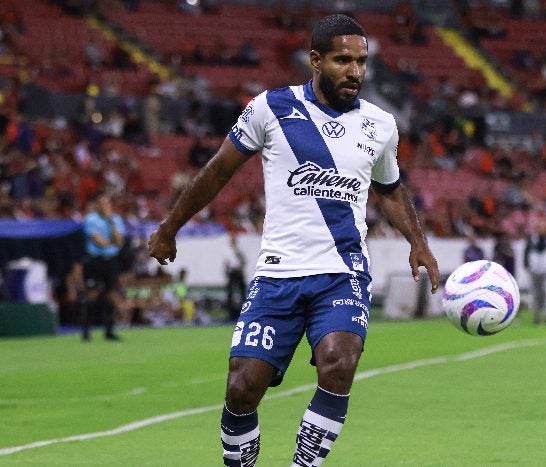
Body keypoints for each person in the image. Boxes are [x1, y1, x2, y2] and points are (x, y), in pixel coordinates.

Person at [148, 14, 440, 467]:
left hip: (342, 272)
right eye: (343, 60)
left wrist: (417, 241)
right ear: (316, 60)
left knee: (339, 362)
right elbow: (218, 170)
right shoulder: (271, 107)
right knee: (242, 386)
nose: (355, 72)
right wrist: (170, 227)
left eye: (361, 62)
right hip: (278, 274)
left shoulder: (380, 125)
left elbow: (389, 189)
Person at [82, 193, 126, 341]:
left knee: (110, 295)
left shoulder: (115, 220)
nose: (105, 206)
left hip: (111, 261)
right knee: (92, 295)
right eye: (102, 203)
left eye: (107, 203)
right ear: (96, 205)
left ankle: (109, 331)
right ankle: (86, 331)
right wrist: (111, 241)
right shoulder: (91, 220)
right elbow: (99, 242)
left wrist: (110, 223)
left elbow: (119, 242)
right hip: (96, 260)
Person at [524, 218, 546, 325]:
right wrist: (527, 265)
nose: (540, 229)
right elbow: (527, 252)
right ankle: (536, 315)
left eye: (542, 226)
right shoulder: (532, 238)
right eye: (539, 227)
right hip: (534, 270)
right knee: (536, 293)